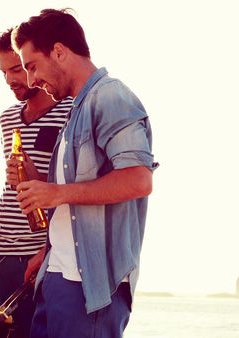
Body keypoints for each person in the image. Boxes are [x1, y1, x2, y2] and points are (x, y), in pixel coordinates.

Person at [12, 9, 158, 338]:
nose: (32, 80)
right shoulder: (76, 110)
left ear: (60, 52)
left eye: (32, 66)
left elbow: (138, 178)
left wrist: (58, 193)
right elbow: (76, 197)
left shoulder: (110, 96)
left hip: (89, 290)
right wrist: (48, 251)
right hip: (57, 279)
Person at [0, 28, 72, 338]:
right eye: (4, 71)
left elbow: (71, 185)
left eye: (17, 69)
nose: (10, 79)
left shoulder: (69, 112)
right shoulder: (8, 119)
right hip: (1, 252)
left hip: (43, 254)